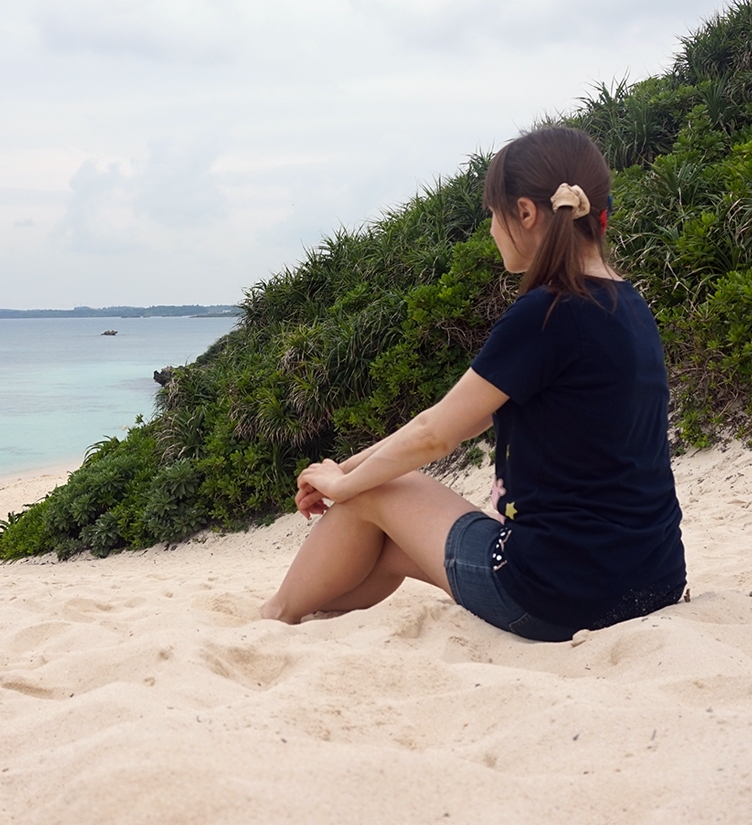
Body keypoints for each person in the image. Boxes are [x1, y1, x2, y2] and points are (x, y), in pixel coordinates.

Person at [260, 126, 686, 641]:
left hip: (556, 596)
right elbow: (453, 420)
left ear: (526, 213)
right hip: (652, 582)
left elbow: (435, 435)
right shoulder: (630, 306)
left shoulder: (547, 312)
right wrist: (339, 468)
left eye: (492, 215)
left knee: (376, 496)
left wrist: (344, 485)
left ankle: (274, 617)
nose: (490, 230)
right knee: (387, 544)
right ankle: (303, 618)